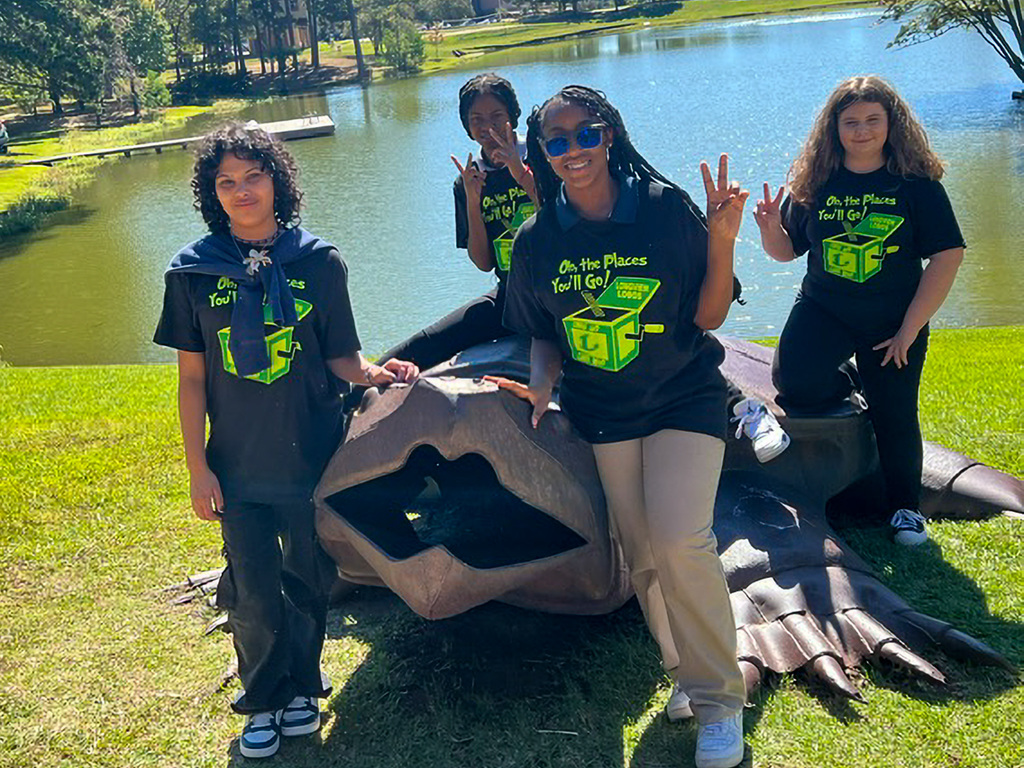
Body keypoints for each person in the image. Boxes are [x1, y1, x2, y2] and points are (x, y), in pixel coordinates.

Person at [487, 85, 749, 768]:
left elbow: (710, 316)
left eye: (584, 134)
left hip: (684, 397)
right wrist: (542, 383)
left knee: (680, 536)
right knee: (642, 554)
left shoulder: (662, 209)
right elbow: (543, 334)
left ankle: (722, 698)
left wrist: (721, 243)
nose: (572, 150)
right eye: (556, 140)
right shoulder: (538, 239)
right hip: (603, 412)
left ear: (609, 135)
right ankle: (683, 675)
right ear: (541, 152)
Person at [153, 123, 417, 759]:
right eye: (227, 182)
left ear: (277, 180)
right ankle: (263, 696)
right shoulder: (191, 273)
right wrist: (197, 468)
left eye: (253, 176)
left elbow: (341, 356)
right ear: (211, 193)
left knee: (309, 575)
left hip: (312, 455)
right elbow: (192, 380)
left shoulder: (318, 262)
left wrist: (379, 373)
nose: (242, 191)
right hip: (238, 465)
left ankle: (301, 683)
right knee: (251, 587)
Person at [753, 75, 965, 546]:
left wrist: (911, 328)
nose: (862, 130)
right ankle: (852, 381)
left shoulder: (915, 184)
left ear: (892, 124)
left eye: (873, 120)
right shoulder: (816, 181)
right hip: (824, 308)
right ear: (834, 128)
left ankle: (906, 510)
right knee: (795, 382)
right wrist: (771, 227)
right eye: (851, 122)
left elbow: (947, 255)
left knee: (895, 412)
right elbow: (788, 252)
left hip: (893, 318)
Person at [375, 73, 538, 370]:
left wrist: (521, 173)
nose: (487, 128)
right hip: (510, 299)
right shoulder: (470, 178)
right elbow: (484, 262)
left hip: (556, 292)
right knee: (420, 348)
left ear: (513, 116)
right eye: (476, 119)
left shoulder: (541, 157)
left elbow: (567, 223)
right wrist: (473, 200)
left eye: (496, 116)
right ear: (467, 126)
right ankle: (352, 397)